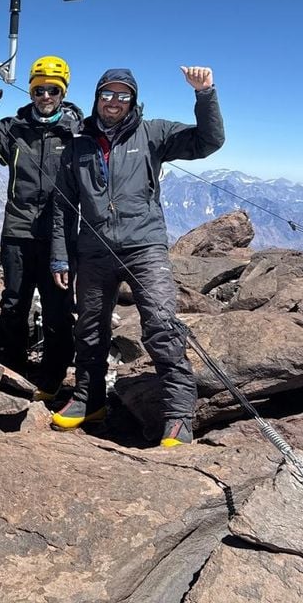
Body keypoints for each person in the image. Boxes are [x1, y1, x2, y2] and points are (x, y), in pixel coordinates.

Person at [49, 67, 225, 446]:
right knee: (91, 328)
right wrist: (61, 257)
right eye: (107, 95)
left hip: (144, 245)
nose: (114, 102)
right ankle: (88, 399)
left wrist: (205, 94)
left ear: (133, 100)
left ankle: (178, 416)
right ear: (97, 97)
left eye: (123, 96)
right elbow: (64, 206)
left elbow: (208, 141)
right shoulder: (78, 142)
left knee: (161, 324)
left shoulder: (153, 133)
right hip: (94, 249)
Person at [0, 56, 83, 398]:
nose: (45, 96)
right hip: (17, 230)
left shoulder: (76, 131)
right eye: (39, 90)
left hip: (60, 235)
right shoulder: (13, 127)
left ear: (62, 92)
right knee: (15, 303)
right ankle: (13, 371)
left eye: (52, 90)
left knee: (58, 307)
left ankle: (52, 377)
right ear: (31, 91)